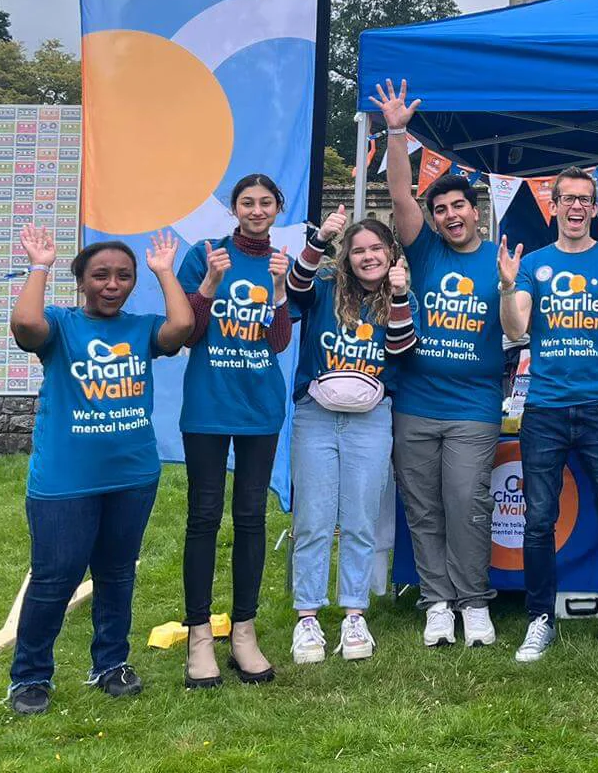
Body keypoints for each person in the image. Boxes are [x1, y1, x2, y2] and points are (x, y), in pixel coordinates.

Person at [5, 226, 193, 716]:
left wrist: (165, 272)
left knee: (116, 575)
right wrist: (39, 265)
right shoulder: (60, 326)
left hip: (132, 477)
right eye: (101, 275)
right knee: (55, 579)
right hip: (64, 481)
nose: (113, 284)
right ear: (82, 282)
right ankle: (30, 677)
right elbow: (24, 326)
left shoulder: (140, 328)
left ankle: (110, 664)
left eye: (123, 276)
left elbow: (181, 328)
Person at [372, 78, 506, 650]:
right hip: (416, 405)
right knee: (422, 508)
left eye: (459, 207)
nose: (451, 216)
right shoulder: (422, 249)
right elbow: (401, 195)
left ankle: (474, 602)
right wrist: (397, 133)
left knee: (468, 505)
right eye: (442, 209)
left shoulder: (500, 262)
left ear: (475, 213)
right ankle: (436, 603)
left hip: (475, 407)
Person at [498, 166, 598, 664]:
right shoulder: (533, 264)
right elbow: (516, 328)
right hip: (546, 409)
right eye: (568, 199)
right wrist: (505, 286)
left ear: (595, 208)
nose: (576, 207)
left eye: (585, 200)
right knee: (538, 520)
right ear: (553, 206)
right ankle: (541, 619)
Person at [175, 173, 294, 689]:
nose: (257, 210)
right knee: (203, 516)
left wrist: (283, 287)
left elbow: (279, 342)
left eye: (266, 203)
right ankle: (200, 635)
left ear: (277, 208)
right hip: (208, 404)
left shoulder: (277, 262)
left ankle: (243, 630)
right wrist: (207, 287)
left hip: (259, 407)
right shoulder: (206, 254)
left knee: (250, 516)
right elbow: (186, 333)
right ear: (234, 208)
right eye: (248, 202)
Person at [285, 205, 416, 666]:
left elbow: (401, 349)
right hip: (316, 413)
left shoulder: (400, 295)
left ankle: (354, 614)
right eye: (358, 250)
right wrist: (319, 239)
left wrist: (398, 297)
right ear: (346, 257)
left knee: (361, 518)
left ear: (391, 253)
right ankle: (307, 618)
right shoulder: (325, 288)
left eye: (376, 248)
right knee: (313, 519)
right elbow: (292, 289)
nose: (367, 256)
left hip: (371, 416)